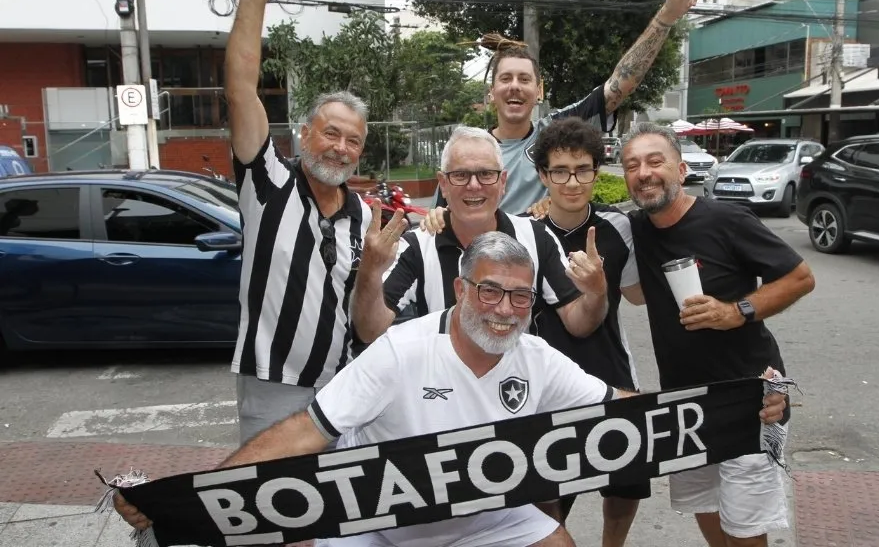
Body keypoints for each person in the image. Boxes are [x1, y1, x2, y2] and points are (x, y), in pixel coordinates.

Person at [113, 232, 791, 547]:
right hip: (380, 527)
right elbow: (302, 433)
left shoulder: (537, 355)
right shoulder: (402, 351)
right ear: (463, 289)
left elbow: (622, 413)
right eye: (490, 291)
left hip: (493, 519)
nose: (503, 309)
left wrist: (738, 403)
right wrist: (200, 492)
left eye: (520, 297)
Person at [226, 0, 397, 445]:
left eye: (354, 141)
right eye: (331, 133)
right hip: (273, 384)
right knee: (271, 506)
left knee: (335, 511)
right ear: (304, 134)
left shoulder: (364, 216)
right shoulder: (267, 182)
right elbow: (241, 91)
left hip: (344, 387)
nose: (341, 148)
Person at [620, 122, 817, 547]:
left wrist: (737, 311)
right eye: (632, 166)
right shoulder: (635, 228)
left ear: (681, 169)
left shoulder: (726, 219)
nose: (644, 173)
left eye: (656, 161)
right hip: (685, 404)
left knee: (746, 530)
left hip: (748, 397)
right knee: (706, 509)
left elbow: (800, 277)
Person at [433, 0, 717, 216]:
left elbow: (621, 82)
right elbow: (441, 219)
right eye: (505, 79)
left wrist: (666, 17)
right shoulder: (470, 153)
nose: (515, 86)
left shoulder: (556, 130)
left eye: (525, 79)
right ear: (491, 94)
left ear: (539, 90)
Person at [350, 125, 608, 345]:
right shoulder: (417, 246)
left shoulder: (537, 238)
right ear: (443, 183)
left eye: (486, 174)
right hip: (443, 392)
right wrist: (370, 271)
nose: (474, 185)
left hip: (516, 394)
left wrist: (597, 293)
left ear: (503, 181)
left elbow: (579, 323)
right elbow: (369, 331)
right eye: (461, 175)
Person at [526, 117, 649, 546]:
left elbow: (637, 294)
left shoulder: (620, 227)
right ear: (543, 175)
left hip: (611, 370)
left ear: (597, 170)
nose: (572, 182)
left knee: (625, 480)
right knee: (548, 493)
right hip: (547, 384)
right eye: (560, 171)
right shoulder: (525, 231)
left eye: (582, 169)